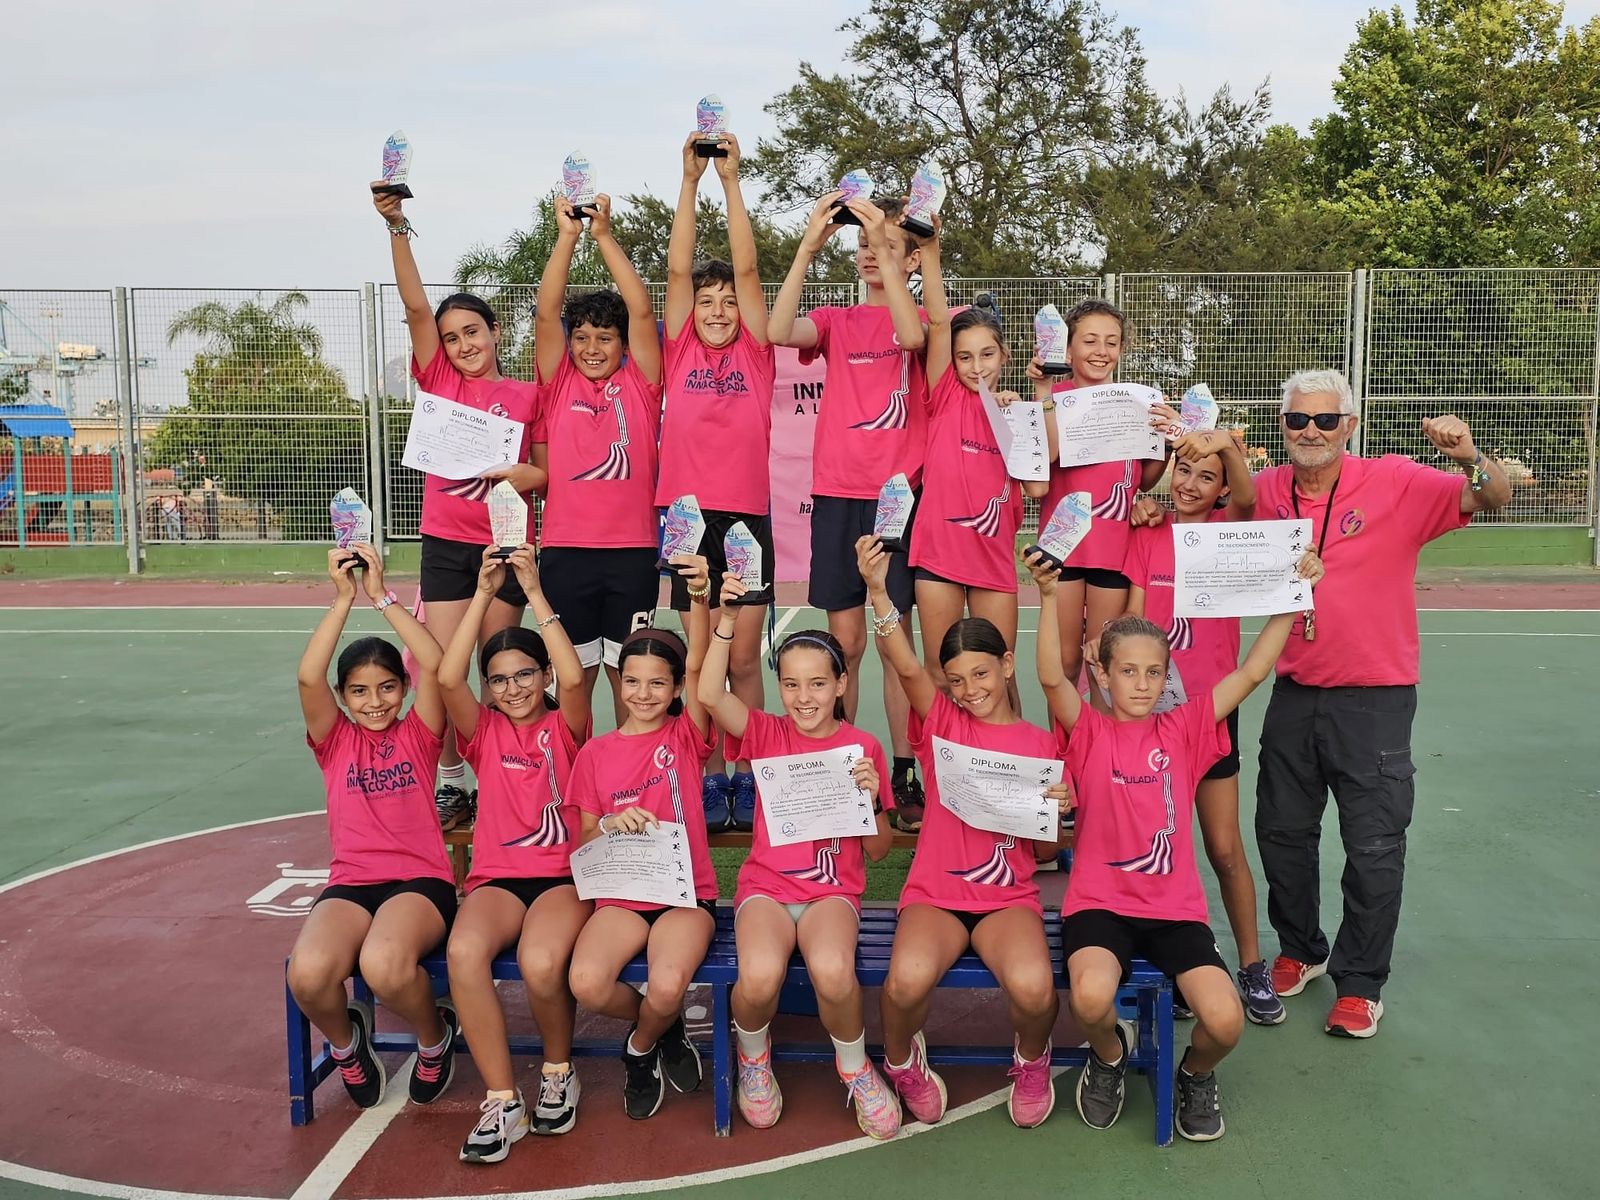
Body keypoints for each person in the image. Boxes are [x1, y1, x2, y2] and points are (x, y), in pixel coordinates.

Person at [1031, 543, 1323, 1142]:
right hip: (1100, 906)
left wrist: (1292, 600)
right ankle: (1110, 1057)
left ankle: (1193, 1074)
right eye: (1127, 671)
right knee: (1090, 1001)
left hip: (1173, 913)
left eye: (1153, 671)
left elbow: (1250, 672)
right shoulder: (1087, 731)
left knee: (1224, 1020)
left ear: (1168, 676)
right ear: (1104, 676)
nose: (1141, 683)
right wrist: (1044, 595)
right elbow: (1047, 676)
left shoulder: (1187, 727)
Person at [1252, 369, 1510, 1038]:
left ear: (1350, 426)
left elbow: (1494, 498)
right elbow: (1205, 526)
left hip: (1376, 699)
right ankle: (1300, 948)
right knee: (1280, 832)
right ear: (1283, 427)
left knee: (1372, 846)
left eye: (1325, 420)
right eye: (1297, 420)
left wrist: (1472, 458)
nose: (1311, 431)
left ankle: (1361, 983)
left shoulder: (1396, 481)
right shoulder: (1266, 493)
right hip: (1293, 691)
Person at [857, 535, 1072, 1130]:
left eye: (981, 672)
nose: (969, 688)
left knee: (1034, 991)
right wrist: (878, 592)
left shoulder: (1038, 745)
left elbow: (1048, 848)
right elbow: (903, 662)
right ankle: (904, 1064)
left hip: (1006, 897)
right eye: (956, 679)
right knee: (903, 984)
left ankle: (1031, 1060)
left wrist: (1058, 810)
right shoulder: (943, 721)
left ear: (1006, 665)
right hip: (938, 894)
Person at [697, 573, 900, 1138]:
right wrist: (727, 621)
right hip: (767, 888)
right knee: (758, 975)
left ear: (840, 685)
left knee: (834, 972)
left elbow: (880, 850)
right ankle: (754, 1060)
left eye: (816, 684)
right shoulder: (764, 733)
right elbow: (711, 696)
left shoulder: (863, 749)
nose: (803, 698)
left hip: (832, 891)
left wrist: (873, 801)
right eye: (791, 685)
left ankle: (855, 1068)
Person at [373, 183, 545, 832]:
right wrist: (397, 227)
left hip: (503, 546)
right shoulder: (440, 381)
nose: (462, 344)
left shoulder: (527, 395)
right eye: (450, 337)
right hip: (447, 544)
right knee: (445, 674)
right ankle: (452, 782)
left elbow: (545, 473)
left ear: (495, 332)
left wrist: (519, 474)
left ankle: (509, 773)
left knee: (500, 672)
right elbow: (417, 308)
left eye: (472, 330)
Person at [769, 192, 930, 830]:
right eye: (861, 243)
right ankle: (836, 765)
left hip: (897, 498)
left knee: (897, 642)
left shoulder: (918, 319)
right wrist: (811, 242)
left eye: (885, 243)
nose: (869, 252)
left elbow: (912, 335)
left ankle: (903, 769)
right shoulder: (837, 320)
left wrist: (894, 256)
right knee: (848, 643)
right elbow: (778, 331)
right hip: (837, 495)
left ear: (911, 258)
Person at [286, 544, 458, 1113]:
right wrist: (342, 598)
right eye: (359, 691)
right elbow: (309, 674)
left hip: (420, 883)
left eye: (387, 687)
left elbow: (435, 663)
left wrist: (380, 596)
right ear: (343, 698)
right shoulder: (335, 741)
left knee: (384, 965)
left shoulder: (418, 733)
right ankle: (347, 1045)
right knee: (308, 976)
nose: (375, 701)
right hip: (354, 882)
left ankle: (435, 1038)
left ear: (403, 691)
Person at [1120, 429, 1285, 1025]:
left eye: (1205, 477)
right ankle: (1175, 966)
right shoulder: (1148, 533)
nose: (1190, 485)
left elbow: (1245, 493)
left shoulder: (1229, 531)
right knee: (1156, 846)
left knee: (1222, 845)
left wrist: (1229, 449)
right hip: (1149, 714)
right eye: (1184, 471)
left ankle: (1250, 965)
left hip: (1212, 711)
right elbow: (1134, 619)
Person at [439, 546, 591, 1163]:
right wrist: (482, 592)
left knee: (540, 957)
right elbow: (448, 678)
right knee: (463, 950)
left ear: (544, 676)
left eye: (526, 674)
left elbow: (578, 677)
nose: (514, 688)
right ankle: (502, 1101)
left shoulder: (568, 727)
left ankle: (559, 1070)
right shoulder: (484, 732)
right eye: (499, 680)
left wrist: (531, 590)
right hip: (498, 879)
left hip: (559, 878)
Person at [567, 555, 717, 1121]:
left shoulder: (686, 734)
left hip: (683, 895)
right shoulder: (596, 753)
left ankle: (638, 1049)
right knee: (586, 982)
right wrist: (608, 823)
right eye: (632, 681)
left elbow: (703, 663)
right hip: (623, 895)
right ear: (619, 682)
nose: (644, 693)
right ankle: (661, 1029)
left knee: (668, 980)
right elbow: (584, 840)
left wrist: (699, 598)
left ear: (678, 687)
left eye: (658, 683)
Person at [658, 129, 777, 832]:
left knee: (744, 660)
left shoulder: (759, 355)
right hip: (689, 522)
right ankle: (710, 777)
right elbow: (675, 275)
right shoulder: (677, 352)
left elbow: (752, 269)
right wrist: (689, 183)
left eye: (729, 301)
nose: (719, 310)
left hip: (745, 523)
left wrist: (732, 183)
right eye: (707, 302)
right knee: (702, 654)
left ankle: (749, 773)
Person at [535, 192, 664, 727]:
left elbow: (640, 308)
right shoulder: (558, 382)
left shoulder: (641, 382)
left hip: (632, 554)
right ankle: (576, 783)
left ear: (624, 345)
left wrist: (602, 235)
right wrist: (567, 237)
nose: (592, 348)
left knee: (629, 678)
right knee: (573, 677)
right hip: (566, 554)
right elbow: (546, 311)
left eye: (604, 338)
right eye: (581, 338)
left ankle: (626, 779)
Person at [906, 219, 1049, 688]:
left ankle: (1010, 763)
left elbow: (1037, 487)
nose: (976, 366)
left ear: (1004, 356)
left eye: (987, 355)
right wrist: (930, 250)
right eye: (965, 357)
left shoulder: (1019, 413)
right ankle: (940, 763)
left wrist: (1031, 406)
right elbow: (939, 319)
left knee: (998, 676)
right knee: (942, 675)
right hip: (939, 554)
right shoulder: (943, 393)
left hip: (991, 558)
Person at [1038, 299, 1169, 694]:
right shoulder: (1051, 397)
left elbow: (1144, 478)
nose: (1101, 351)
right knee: (1064, 662)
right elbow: (1044, 462)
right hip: (1064, 546)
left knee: (1102, 664)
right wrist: (1041, 395)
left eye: (1111, 342)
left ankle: (1099, 754)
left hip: (1113, 548)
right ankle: (1064, 752)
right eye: (1090, 341)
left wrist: (1164, 441)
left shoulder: (1137, 402)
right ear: (1069, 348)